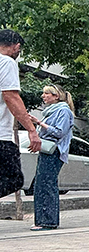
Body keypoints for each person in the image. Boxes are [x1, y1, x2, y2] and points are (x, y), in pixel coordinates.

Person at [0, 29, 41, 202]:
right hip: (1, 136)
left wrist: (24, 115)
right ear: (16, 46)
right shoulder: (6, 62)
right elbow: (11, 96)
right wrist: (31, 130)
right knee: (13, 179)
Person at [28, 84, 75, 231]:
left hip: (54, 151)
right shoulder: (51, 111)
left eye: (46, 93)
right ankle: (41, 220)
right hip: (47, 151)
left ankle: (48, 221)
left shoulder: (63, 111)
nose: (43, 96)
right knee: (40, 185)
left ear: (56, 96)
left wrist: (40, 123)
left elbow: (60, 132)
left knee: (47, 185)